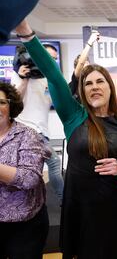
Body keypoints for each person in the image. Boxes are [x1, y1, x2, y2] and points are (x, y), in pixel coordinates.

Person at [15, 20, 117, 259]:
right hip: (79, 207)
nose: (94, 87)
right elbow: (52, 74)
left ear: (110, 87)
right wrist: (25, 33)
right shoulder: (73, 115)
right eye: (88, 83)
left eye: (99, 81)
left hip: (113, 207)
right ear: (82, 91)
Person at [0, 82, 50, 259]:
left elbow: (30, 178)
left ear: (11, 105)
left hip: (24, 227)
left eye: (1, 102)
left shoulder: (28, 135)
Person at [12, 43, 65, 203]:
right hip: (25, 131)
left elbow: (58, 99)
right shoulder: (19, 75)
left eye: (54, 59)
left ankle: (33, 203)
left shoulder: (49, 79)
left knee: (34, 171)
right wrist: (23, 79)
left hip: (42, 131)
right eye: (49, 58)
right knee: (54, 164)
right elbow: (14, 103)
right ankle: (65, 202)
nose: (51, 62)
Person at [69, 30, 100, 101]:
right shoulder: (75, 83)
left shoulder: (92, 83)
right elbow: (80, 63)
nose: (87, 70)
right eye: (84, 67)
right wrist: (90, 43)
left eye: (88, 67)